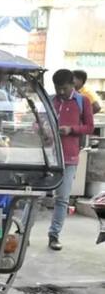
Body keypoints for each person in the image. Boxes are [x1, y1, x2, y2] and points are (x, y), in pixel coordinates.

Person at [48, 69, 95, 250]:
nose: (61, 92)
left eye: (64, 88)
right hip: (48, 156)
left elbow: (89, 127)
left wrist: (71, 129)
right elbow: (38, 121)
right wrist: (42, 129)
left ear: (72, 84)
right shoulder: (51, 100)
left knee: (62, 198)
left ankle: (54, 235)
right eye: (58, 88)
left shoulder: (83, 101)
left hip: (69, 156)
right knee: (34, 197)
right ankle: (24, 234)